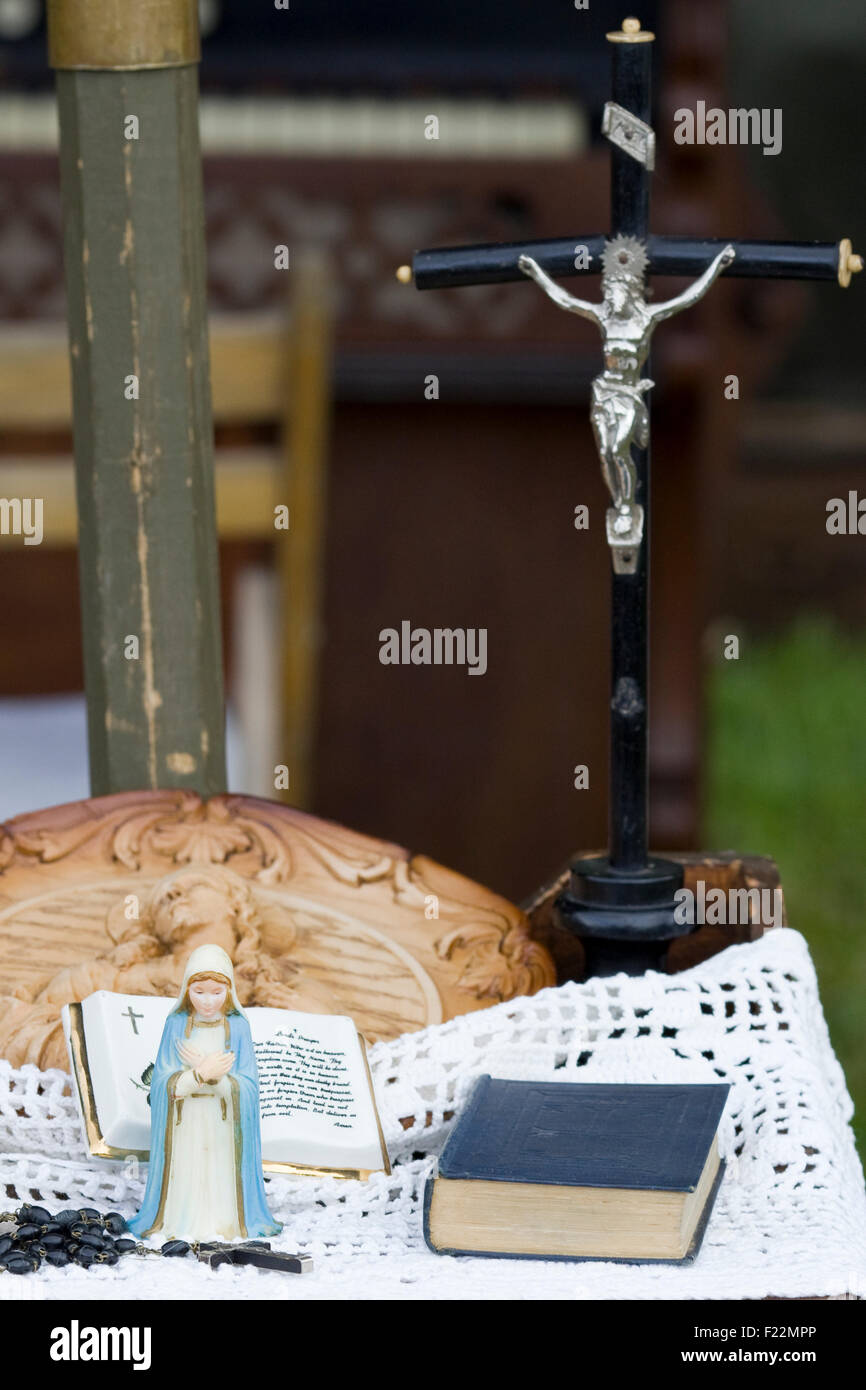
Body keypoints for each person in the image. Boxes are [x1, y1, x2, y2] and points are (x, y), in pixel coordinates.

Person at [128, 943, 280, 1242]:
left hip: (222, 1123)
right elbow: (162, 1082)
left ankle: (225, 1224)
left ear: (229, 991)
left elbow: (248, 1086)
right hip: (186, 1123)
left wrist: (214, 1076)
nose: (208, 1001)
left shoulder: (237, 1027)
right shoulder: (176, 1024)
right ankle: (180, 1223)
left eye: (216, 992)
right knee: (187, 1176)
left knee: (219, 1177)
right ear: (187, 990)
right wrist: (198, 1073)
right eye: (199, 992)